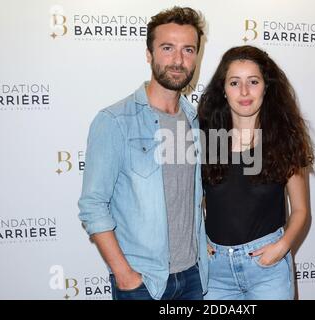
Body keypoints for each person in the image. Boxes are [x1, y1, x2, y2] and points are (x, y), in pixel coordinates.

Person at [78, 6, 208, 300]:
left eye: (188, 49)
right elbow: (93, 204)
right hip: (143, 283)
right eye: (167, 48)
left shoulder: (195, 120)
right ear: (149, 54)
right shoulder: (114, 121)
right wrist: (124, 275)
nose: (178, 60)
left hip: (194, 278)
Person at [198, 45, 312, 300]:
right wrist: (197, 237)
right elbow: (192, 200)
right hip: (215, 273)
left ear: (266, 87)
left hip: (267, 269)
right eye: (234, 82)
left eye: (253, 81)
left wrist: (282, 247)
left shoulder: (283, 140)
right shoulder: (208, 140)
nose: (245, 91)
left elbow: (302, 210)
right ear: (223, 90)